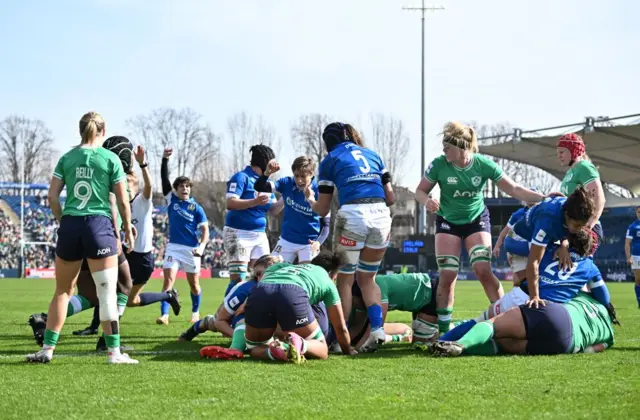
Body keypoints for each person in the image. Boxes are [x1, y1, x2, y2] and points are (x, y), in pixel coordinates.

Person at [26, 111, 138, 364]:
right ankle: (114, 354)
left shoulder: (67, 157)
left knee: (62, 291)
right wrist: (128, 227)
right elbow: (122, 200)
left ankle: (47, 350)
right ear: (103, 130)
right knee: (107, 292)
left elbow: (53, 197)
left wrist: (62, 221)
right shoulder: (110, 158)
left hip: (71, 225)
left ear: (80, 130)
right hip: (98, 226)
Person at [414, 122, 545, 334]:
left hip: (476, 221)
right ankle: (445, 332)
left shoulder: (483, 165)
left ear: (462, 147)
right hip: (448, 222)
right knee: (447, 275)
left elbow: (514, 189)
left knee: (482, 271)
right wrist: (427, 200)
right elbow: (419, 191)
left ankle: (505, 320)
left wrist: (544, 198)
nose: (443, 150)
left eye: (448, 147)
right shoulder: (439, 164)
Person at [305, 122, 395, 353]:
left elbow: (322, 209)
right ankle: (377, 329)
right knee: (368, 279)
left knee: (344, 280)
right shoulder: (373, 155)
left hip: (353, 215)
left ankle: (336, 340)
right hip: (381, 216)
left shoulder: (331, 159)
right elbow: (391, 197)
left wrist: (309, 199)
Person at [438, 229, 611, 342]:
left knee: (481, 322)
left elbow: (510, 244)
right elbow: (604, 297)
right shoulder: (591, 268)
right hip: (548, 309)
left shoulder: (550, 248)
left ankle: (443, 340)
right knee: (511, 339)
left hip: (520, 295)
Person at [243, 251, 354, 363]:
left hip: (260, 292)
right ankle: (301, 344)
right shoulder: (327, 281)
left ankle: (277, 351)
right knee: (322, 348)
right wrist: (348, 350)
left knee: (255, 348)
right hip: (292, 292)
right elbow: (340, 327)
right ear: (331, 273)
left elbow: (268, 276)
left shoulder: (287, 267)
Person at [429, 292, 617, 357]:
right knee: (503, 346)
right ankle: (459, 348)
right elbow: (591, 350)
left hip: (558, 315)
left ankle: (461, 344)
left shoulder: (584, 297)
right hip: (565, 344)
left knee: (494, 326)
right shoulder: (610, 335)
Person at [512, 188, 596, 308]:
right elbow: (534, 261)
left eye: (583, 225)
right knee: (523, 285)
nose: (580, 230)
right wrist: (535, 297)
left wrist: (563, 245)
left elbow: (566, 230)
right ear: (566, 215)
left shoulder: (573, 207)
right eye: (577, 225)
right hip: (520, 239)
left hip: (543, 237)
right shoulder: (547, 222)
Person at [223, 144, 283, 295]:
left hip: (260, 235)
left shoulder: (266, 183)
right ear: (264, 162)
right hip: (237, 233)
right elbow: (230, 203)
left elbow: (274, 210)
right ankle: (222, 316)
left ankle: (250, 315)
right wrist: (253, 202)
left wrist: (288, 197)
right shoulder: (241, 177)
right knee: (238, 280)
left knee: (263, 277)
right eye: (271, 161)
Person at [159, 148, 209, 324]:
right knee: (168, 282)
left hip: (191, 250)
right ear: (176, 189)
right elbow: (164, 179)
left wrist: (201, 247)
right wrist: (165, 159)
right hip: (174, 247)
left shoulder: (197, 208)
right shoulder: (171, 200)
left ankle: (195, 312)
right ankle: (164, 316)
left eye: (187, 186)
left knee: (194, 285)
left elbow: (205, 231)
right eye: (181, 186)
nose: (185, 189)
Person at [255, 156, 331, 264]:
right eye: (296, 176)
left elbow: (326, 225)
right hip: (286, 240)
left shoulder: (320, 192)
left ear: (311, 174)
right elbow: (259, 186)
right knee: (270, 270)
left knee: (305, 276)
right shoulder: (286, 183)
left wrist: (318, 243)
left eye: (303, 176)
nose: (299, 180)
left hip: (309, 243)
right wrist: (267, 173)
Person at [349, 272, 439, 349]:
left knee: (422, 344)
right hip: (416, 299)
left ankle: (450, 328)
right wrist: (343, 344)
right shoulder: (362, 299)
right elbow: (356, 327)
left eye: (352, 301)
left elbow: (376, 328)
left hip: (430, 291)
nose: (352, 305)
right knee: (417, 344)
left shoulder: (377, 289)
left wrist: (357, 349)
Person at [557, 133, 605, 239]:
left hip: (584, 228)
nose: (558, 156)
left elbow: (599, 198)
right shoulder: (570, 172)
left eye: (562, 152)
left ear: (573, 150)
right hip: (571, 228)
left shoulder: (584, 167)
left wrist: (588, 226)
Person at [493, 189, 539, 285]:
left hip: (536, 248)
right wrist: (497, 246)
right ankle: (517, 296)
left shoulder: (543, 213)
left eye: (533, 195)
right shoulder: (518, 214)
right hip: (519, 250)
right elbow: (505, 231)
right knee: (520, 280)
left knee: (537, 278)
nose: (530, 198)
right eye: (528, 195)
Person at [624, 206, 640, 308]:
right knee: (638, 279)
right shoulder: (633, 226)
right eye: (639, 212)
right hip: (636, 256)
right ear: (636, 213)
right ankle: (639, 301)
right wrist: (628, 257)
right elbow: (627, 243)